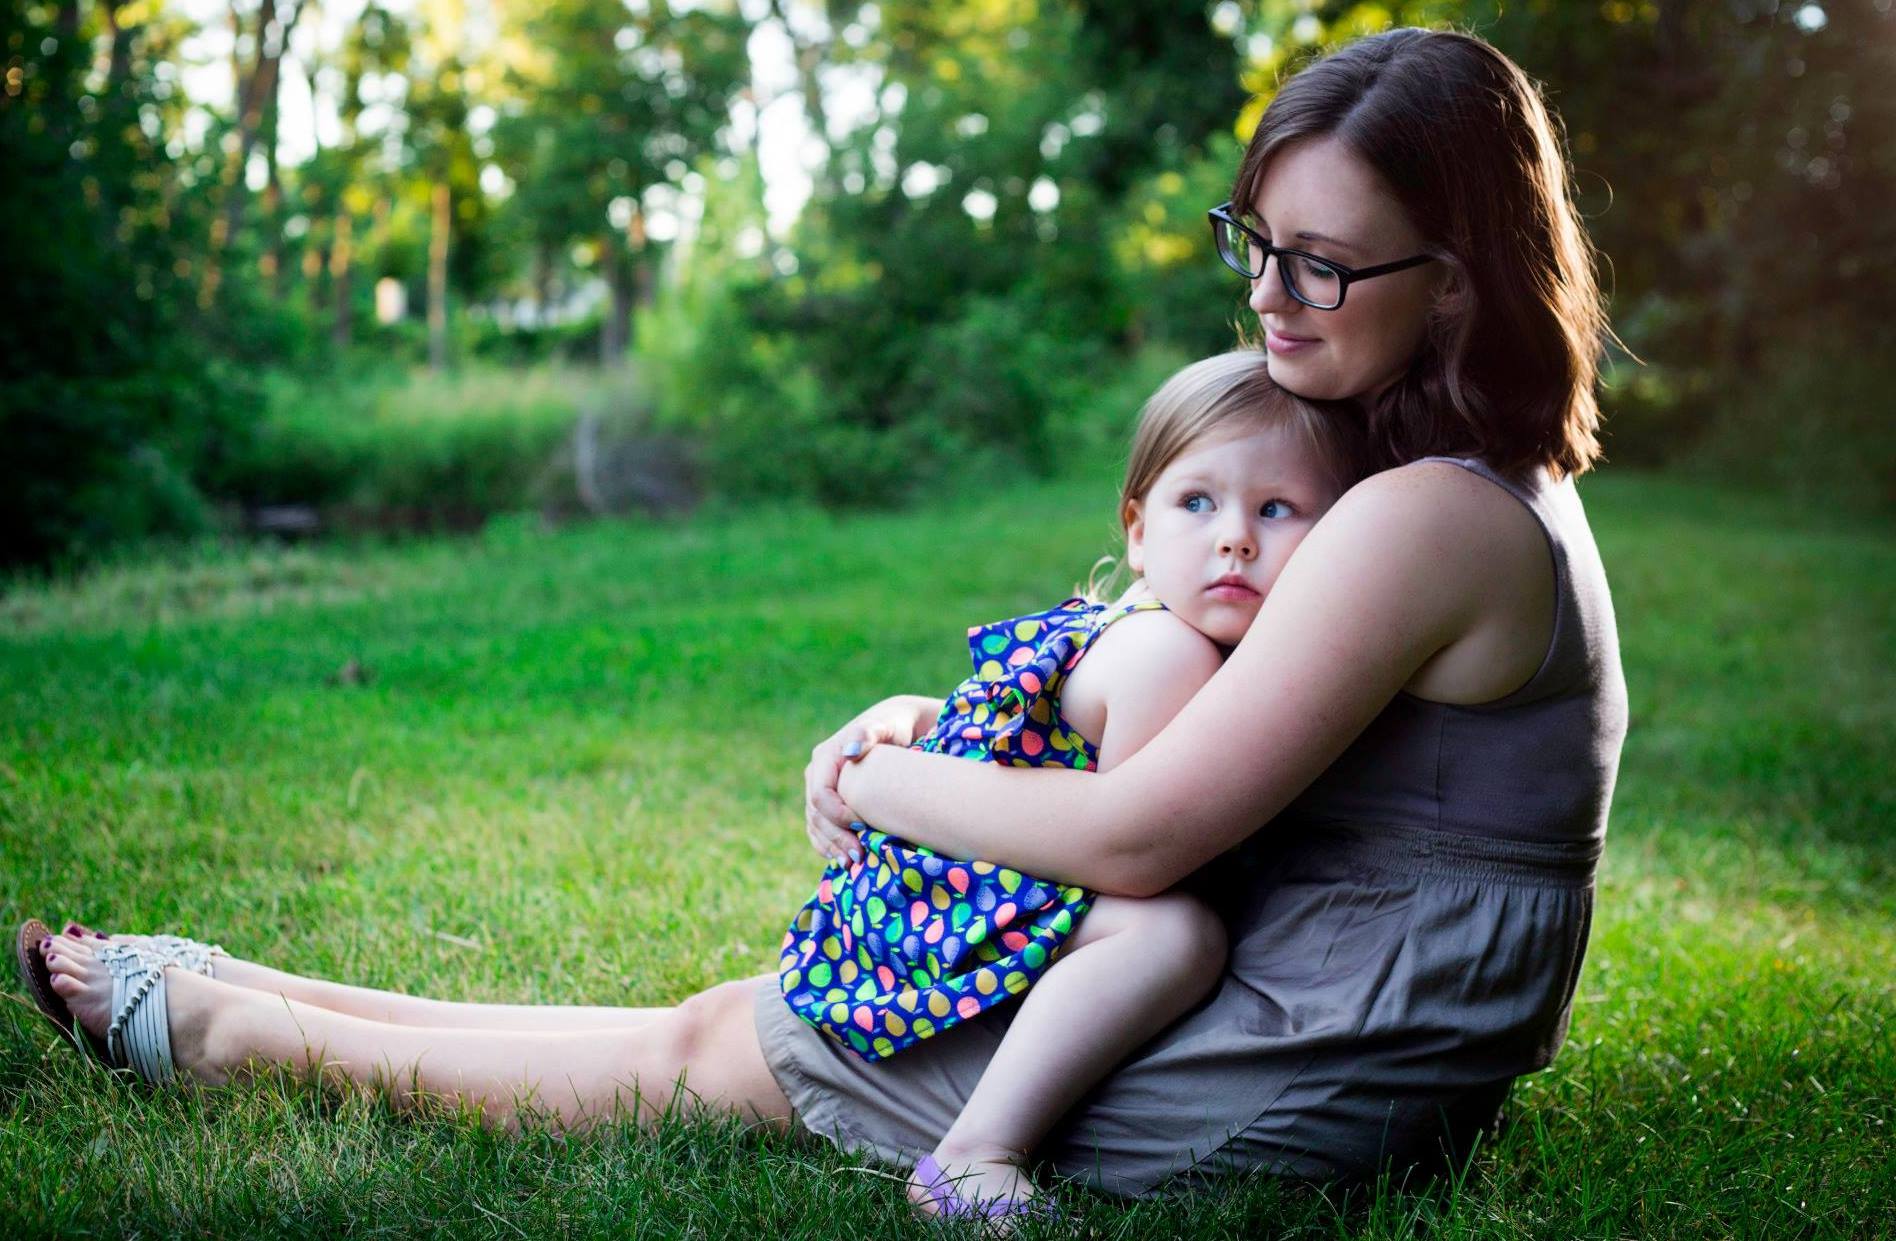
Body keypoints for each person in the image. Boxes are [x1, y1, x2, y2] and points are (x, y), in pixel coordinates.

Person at [21, 24, 1626, 1216]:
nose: (1269, 295)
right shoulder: (1427, 463)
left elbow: (1141, 839)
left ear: (1466, 280)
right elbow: (1171, 674)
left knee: (728, 1060)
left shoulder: (1430, 515)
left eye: (1323, 266)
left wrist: (876, 786)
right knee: (738, 1022)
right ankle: (247, 984)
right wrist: (933, 723)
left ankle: (242, 1037)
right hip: (1321, 980)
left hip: (1325, 1044)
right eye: (1255, 245)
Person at [777, 350, 1366, 1215]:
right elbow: (1141, 848)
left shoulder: (1136, 622)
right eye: (1197, 502)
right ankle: (973, 1155)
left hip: (923, 882)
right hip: (942, 901)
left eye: (1276, 509)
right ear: (1136, 528)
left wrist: (908, 709)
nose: (1234, 534)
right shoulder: (1173, 651)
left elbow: (1010, 727)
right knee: (1173, 934)